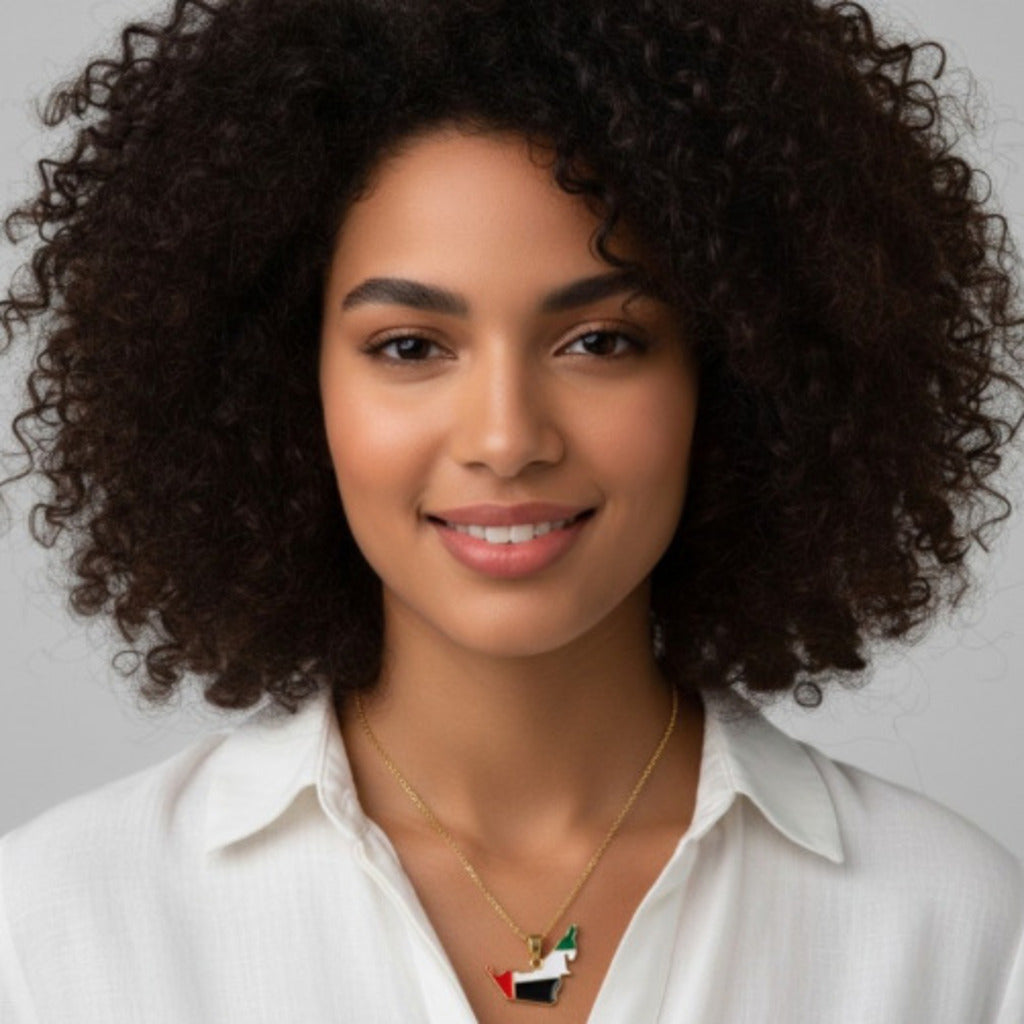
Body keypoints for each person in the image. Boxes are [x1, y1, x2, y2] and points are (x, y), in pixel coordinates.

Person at [0, 0, 1022, 1020]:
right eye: (409, 346)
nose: (505, 436)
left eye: (599, 341)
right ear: (278, 384)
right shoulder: (60, 932)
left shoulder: (949, 931)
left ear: (741, 374)